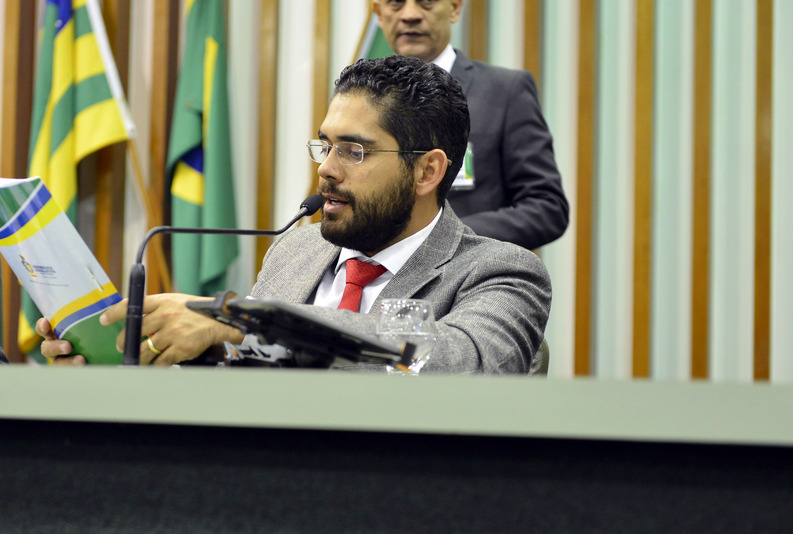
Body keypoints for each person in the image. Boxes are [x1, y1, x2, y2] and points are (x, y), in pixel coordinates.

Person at [38, 55, 551, 373]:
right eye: (324, 145)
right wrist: (125, 361)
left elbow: (460, 362)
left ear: (426, 171)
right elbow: (243, 375)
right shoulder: (297, 249)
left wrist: (241, 320)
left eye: (353, 151)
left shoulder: (500, 272)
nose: (326, 169)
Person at [372, 0, 568, 250]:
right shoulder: (363, 99)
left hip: (470, 270)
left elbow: (547, 208)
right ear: (379, 13)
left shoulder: (505, 91)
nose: (410, 14)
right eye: (395, 3)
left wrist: (447, 237)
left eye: (427, 2)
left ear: (454, 8)